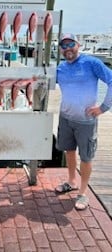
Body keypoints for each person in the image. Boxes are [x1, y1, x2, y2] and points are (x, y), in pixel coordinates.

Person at [55, 33, 112, 210]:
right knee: (69, 151)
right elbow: (41, 80)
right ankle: (71, 181)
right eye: (64, 46)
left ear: (78, 45)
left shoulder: (91, 63)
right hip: (66, 118)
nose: (68, 49)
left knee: (86, 157)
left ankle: (83, 193)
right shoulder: (61, 68)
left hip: (86, 121)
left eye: (70, 44)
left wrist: (103, 108)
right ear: (60, 50)